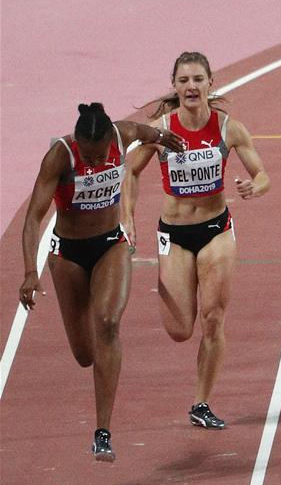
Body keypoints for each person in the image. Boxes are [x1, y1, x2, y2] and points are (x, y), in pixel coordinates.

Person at [20, 102, 184, 461]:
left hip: (110, 244)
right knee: (85, 355)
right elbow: (33, 217)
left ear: (110, 140)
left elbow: (143, 131)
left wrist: (161, 137)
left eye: (98, 156)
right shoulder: (60, 157)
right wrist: (31, 271)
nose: (93, 162)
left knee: (108, 322)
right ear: (77, 143)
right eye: (88, 156)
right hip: (67, 256)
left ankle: (103, 432)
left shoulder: (121, 134)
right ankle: (98, 335)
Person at [122, 52, 270, 429]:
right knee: (179, 329)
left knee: (214, 318)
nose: (191, 86)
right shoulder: (160, 131)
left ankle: (201, 403)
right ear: (174, 86)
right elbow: (130, 173)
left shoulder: (228, 129)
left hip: (215, 229)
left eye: (198, 79)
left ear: (210, 83)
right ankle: (176, 293)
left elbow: (264, 174)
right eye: (184, 80)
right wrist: (127, 217)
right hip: (173, 233)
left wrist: (256, 186)